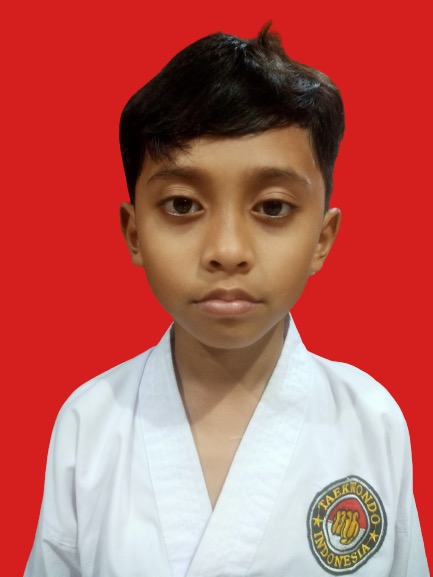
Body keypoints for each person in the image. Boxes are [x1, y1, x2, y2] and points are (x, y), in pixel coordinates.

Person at [24, 23, 429, 577]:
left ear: (322, 238)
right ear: (134, 232)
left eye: (273, 207)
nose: (228, 251)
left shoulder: (371, 420)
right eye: (182, 205)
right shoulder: (89, 425)